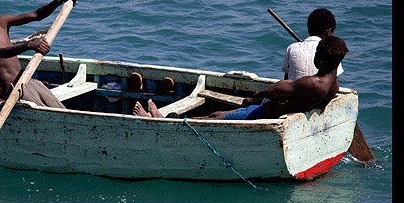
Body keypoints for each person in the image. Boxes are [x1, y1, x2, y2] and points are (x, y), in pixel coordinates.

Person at [134, 36, 349, 121]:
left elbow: (277, 90)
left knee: (215, 119)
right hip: (269, 110)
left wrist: (263, 93)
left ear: (323, 55)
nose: (315, 55)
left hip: (264, 112)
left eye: (318, 51)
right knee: (216, 114)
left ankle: (164, 121)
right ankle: (169, 118)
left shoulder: (313, 82)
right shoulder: (333, 85)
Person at [0, 0, 80, 108]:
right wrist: (28, 45)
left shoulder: (2, 22)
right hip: (16, 91)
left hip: (30, 81)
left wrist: (59, 0)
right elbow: (2, 52)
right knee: (51, 116)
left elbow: (37, 15)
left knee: (62, 110)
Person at [282, 8, 344, 81]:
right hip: (322, 91)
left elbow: (286, 79)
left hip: (294, 91)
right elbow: (334, 81)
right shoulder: (331, 50)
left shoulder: (292, 48)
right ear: (328, 32)